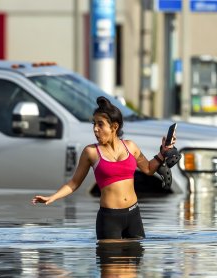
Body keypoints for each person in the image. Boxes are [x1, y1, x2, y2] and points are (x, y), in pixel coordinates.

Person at [31, 96, 176, 240]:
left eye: (100, 124)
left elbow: (149, 169)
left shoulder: (130, 146)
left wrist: (163, 152)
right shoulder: (91, 152)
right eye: (94, 124)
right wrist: (52, 197)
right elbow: (74, 183)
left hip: (133, 215)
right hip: (109, 219)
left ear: (114, 127)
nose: (95, 129)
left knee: (134, 262)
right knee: (111, 262)